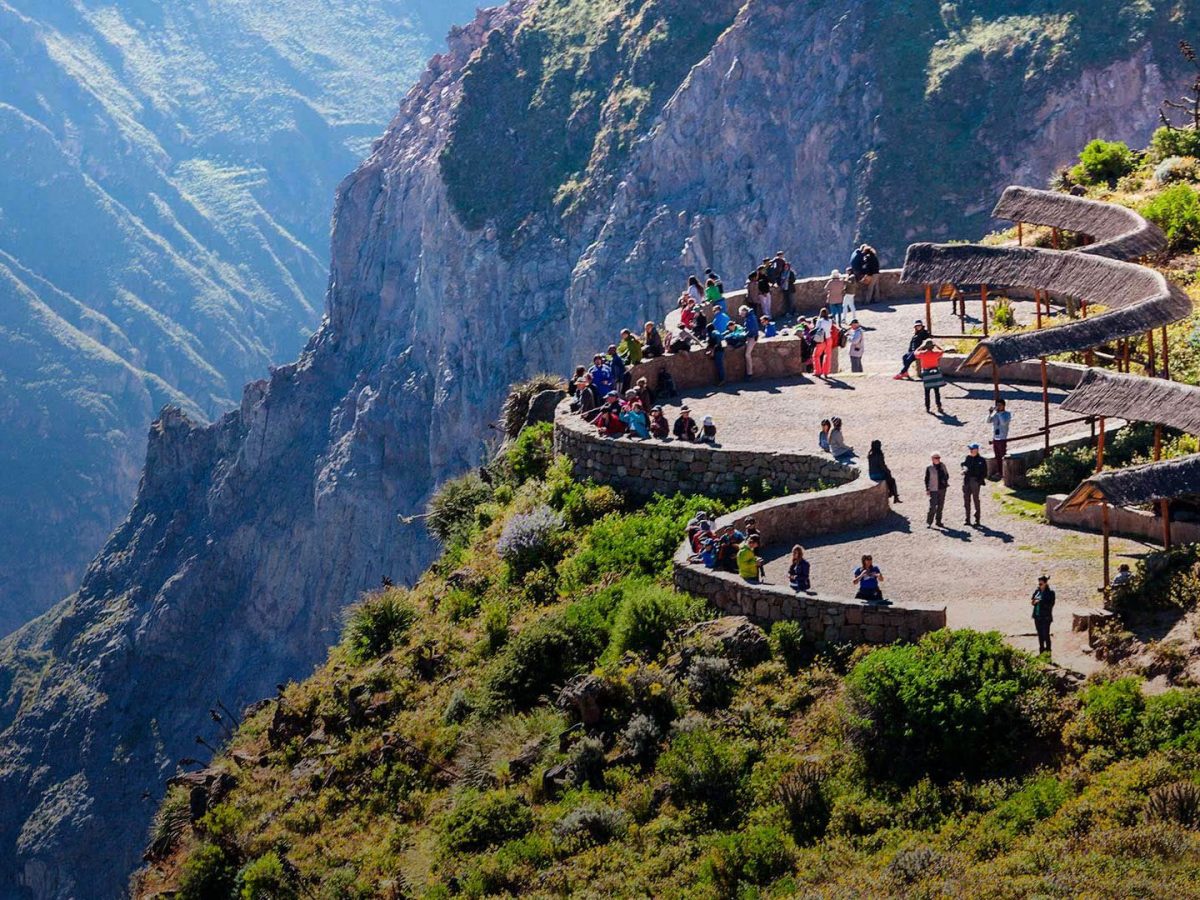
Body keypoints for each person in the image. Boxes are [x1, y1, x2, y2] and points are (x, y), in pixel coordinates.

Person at [915, 339, 946, 414]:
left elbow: (915, 352)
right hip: (935, 372)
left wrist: (920, 347)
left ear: (925, 347)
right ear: (933, 347)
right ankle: (939, 406)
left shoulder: (922, 354)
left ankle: (928, 407)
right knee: (937, 391)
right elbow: (942, 350)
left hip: (926, 373)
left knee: (927, 392)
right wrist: (936, 345)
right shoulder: (936, 353)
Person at [961, 442, 987, 526]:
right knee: (966, 500)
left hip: (975, 482)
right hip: (967, 481)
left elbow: (984, 472)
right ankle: (967, 519)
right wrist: (964, 469)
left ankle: (977, 519)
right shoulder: (968, 458)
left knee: (976, 500)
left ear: (977, 450)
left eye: (973, 449)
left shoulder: (981, 460)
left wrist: (978, 481)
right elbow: (964, 465)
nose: (972, 451)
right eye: (971, 449)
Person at [1031, 576, 1056, 656]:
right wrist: (1034, 602)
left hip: (1046, 618)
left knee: (1046, 635)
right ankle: (1041, 652)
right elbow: (1033, 601)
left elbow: (1050, 605)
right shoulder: (1037, 591)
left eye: (1041, 584)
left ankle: (1048, 652)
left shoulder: (1051, 593)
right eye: (1039, 584)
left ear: (1045, 583)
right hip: (1037, 616)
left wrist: (1041, 601)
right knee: (1040, 635)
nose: (1039, 585)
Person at [925, 451, 950, 528]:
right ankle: (929, 522)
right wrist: (927, 489)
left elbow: (947, 475)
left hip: (942, 489)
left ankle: (938, 521)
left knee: (940, 506)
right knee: (932, 506)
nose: (937, 459)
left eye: (938, 458)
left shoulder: (943, 466)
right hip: (933, 489)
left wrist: (944, 480)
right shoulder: (929, 468)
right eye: (936, 458)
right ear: (932, 459)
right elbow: (926, 479)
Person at [811, 308, 833, 377]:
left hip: (821, 339)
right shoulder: (830, 320)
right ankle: (826, 372)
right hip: (829, 338)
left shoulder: (819, 321)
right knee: (827, 355)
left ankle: (818, 371)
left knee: (816, 355)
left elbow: (817, 329)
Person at [741, 304, 760, 378]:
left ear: (744, 311)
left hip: (752, 337)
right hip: (752, 336)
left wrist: (745, 335)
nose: (740, 315)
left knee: (747, 354)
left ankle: (749, 373)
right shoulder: (750, 316)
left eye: (741, 313)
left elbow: (752, 330)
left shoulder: (750, 318)